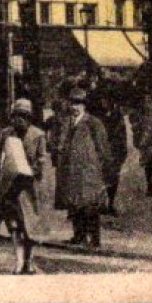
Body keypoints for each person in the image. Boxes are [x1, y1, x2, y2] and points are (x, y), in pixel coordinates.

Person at [0, 98, 48, 274]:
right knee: (14, 225)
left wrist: (32, 170)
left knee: (30, 227)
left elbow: (42, 159)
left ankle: (29, 261)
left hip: (29, 188)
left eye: (24, 116)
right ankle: (19, 262)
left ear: (29, 118)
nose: (19, 120)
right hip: (10, 187)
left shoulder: (38, 135)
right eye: (16, 116)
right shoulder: (6, 133)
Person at [53, 86, 110, 248]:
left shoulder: (93, 123)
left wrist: (100, 169)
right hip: (71, 171)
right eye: (72, 104)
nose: (74, 107)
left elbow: (103, 149)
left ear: (84, 106)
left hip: (89, 172)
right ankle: (78, 236)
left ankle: (95, 239)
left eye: (78, 104)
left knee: (90, 205)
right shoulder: (67, 123)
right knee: (74, 204)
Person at [94, 90, 130, 216]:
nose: (103, 102)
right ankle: (101, 204)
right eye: (102, 100)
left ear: (111, 101)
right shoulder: (99, 116)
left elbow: (122, 135)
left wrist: (122, 153)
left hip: (114, 152)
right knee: (100, 178)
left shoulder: (117, 116)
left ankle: (110, 204)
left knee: (113, 179)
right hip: (102, 151)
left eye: (106, 100)